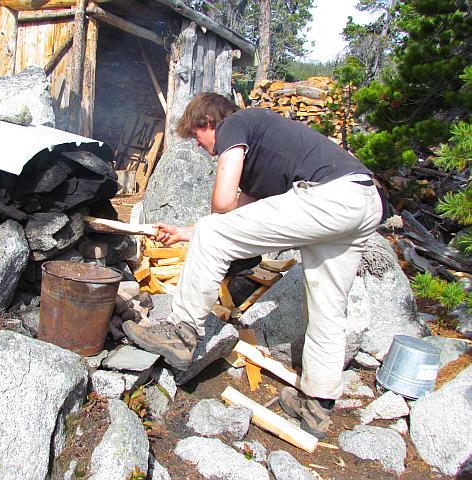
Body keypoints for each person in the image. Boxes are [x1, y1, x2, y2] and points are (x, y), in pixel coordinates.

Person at [122, 93, 382, 439]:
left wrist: (209, 230)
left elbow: (223, 203)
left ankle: (181, 334)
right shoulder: (270, 151)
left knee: (216, 232)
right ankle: (317, 407)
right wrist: (186, 233)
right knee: (328, 308)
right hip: (362, 200)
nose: (201, 147)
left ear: (208, 122)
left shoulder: (235, 124)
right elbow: (244, 216)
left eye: (197, 137)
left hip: (329, 197)